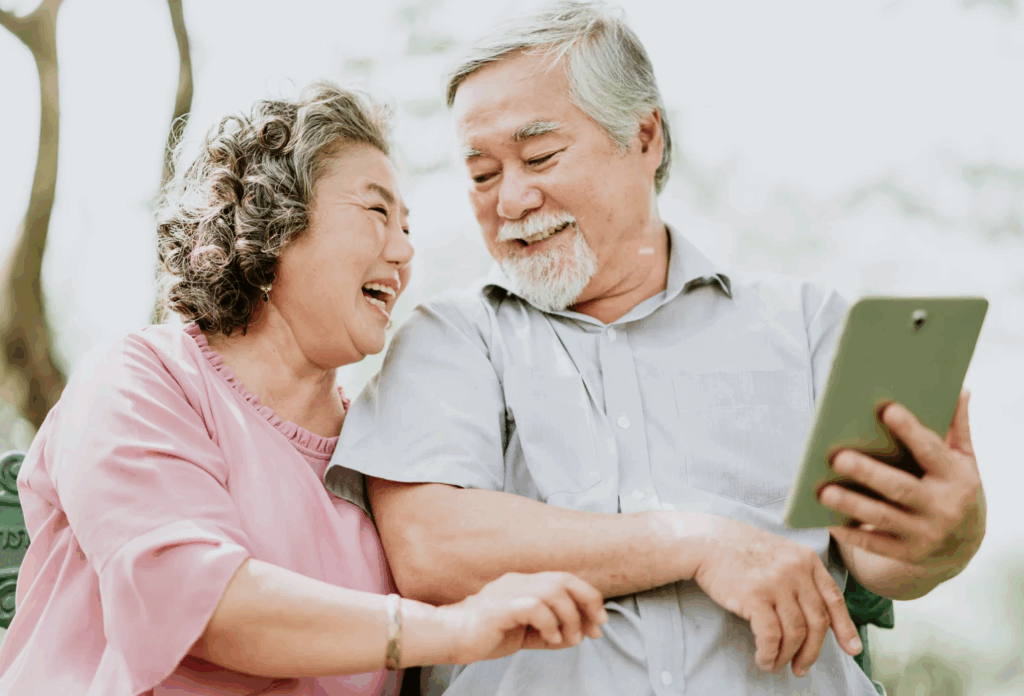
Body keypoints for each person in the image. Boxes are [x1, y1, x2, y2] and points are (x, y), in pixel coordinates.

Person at [324, 3, 987, 695]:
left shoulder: (808, 324)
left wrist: (947, 536)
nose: (513, 198)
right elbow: (432, 548)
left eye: (541, 155)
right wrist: (697, 542)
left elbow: (879, 559)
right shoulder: (449, 338)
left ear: (645, 137)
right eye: (483, 174)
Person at [0, 82, 608, 696]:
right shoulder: (141, 377)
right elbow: (194, 599)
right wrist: (449, 628)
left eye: (406, 226)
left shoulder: (384, 451)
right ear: (276, 223)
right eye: (376, 212)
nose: (403, 251)